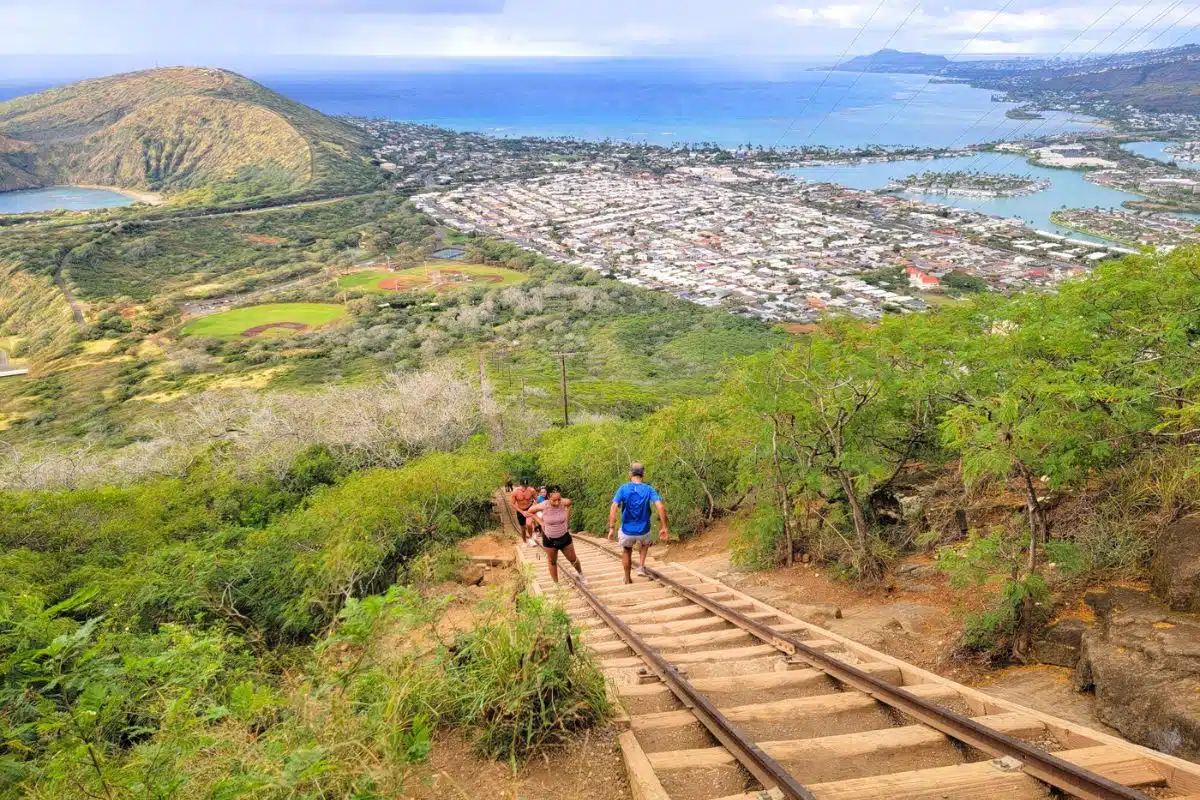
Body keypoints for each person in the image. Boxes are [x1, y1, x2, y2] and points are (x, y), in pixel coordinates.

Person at [607, 462, 669, 584]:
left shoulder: (623, 488)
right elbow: (660, 507)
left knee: (626, 551)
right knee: (645, 543)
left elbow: (614, 506)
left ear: (630, 474)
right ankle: (641, 566)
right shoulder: (649, 489)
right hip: (643, 530)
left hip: (627, 530)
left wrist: (611, 527)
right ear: (643, 474)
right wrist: (664, 527)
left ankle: (627, 578)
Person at [528, 489, 585, 585]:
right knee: (552, 561)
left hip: (564, 536)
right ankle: (556, 584)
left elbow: (569, 503)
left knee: (573, 559)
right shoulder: (544, 505)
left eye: (559, 499)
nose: (557, 502)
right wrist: (541, 522)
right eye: (554, 500)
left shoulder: (563, 502)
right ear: (549, 497)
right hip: (549, 539)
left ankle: (581, 575)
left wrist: (566, 519)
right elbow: (530, 511)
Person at [509, 478, 537, 547]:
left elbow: (536, 499)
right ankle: (524, 541)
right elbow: (512, 503)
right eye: (523, 485)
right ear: (520, 484)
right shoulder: (515, 492)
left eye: (526, 485)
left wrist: (531, 508)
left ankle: (531, 539)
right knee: (523, 528)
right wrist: (522, 512)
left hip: (529, 509)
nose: (525, 487)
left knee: (529, 524)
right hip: (520, 510)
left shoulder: (531, 490)